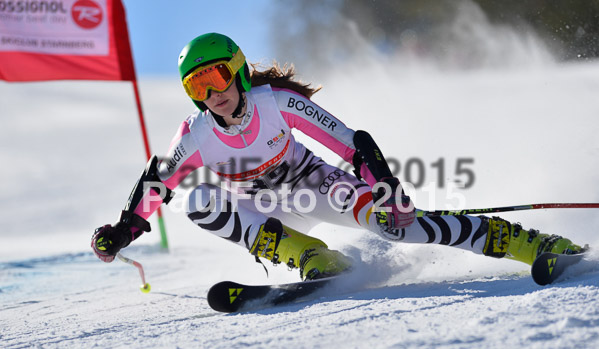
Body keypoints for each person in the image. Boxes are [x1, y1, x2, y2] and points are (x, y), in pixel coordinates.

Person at [91, 32, 582, 281]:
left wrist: (387, 191)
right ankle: (308, 256)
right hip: (259, 209)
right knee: (196, 201)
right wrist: (122, 231)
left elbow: (352, 143)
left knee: (396, 225)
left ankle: (525, 242)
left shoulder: (276, 103)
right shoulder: (196, 134)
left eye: (216, 77)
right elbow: (157, 184)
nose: (211, 93)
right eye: (197, 86)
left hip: (312, 184)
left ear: (238, 72)